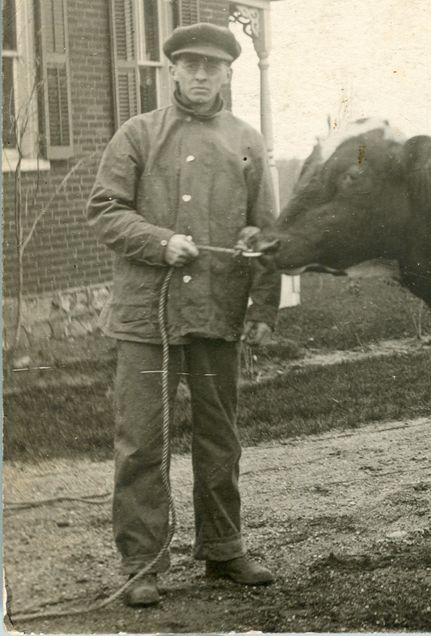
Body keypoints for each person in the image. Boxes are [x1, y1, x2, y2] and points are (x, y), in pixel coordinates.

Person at [86, 22, 280, 607]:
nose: (200, 74)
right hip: (147, 318)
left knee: (220, 438)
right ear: (171, 69)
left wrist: (263, 307)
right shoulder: (137, 134)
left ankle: (223, 548)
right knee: (142, 442)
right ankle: (141, 565)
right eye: (190, 64)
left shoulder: (247, 140)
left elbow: (266, 232)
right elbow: (105, 210)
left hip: (218, 312)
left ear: (227, 74)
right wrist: (159, 241)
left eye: (211, 66)